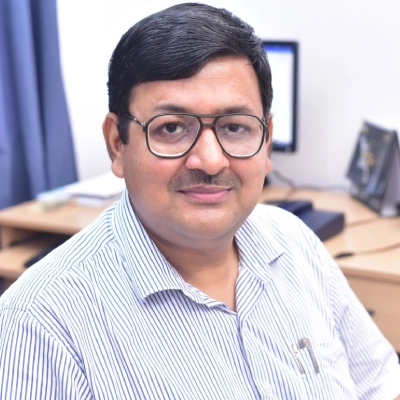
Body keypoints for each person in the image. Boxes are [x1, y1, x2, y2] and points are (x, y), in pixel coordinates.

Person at [0, 3, 399, 399]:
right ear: (118, 144)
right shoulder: (41, 325)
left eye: (235, 127)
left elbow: (380, 384)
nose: (210, 160)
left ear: (266, 139)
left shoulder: (293, 242)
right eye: (172, 128)